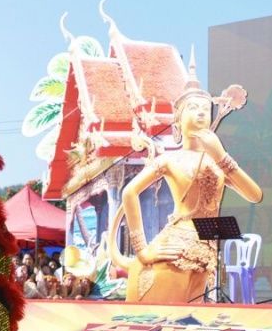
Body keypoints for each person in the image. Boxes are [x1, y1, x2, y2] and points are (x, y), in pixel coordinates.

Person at [110, 69, 263, 303]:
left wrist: (221, 156)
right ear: (178, 121)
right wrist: (143, 250)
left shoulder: (218, 161)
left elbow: (255, 195)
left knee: (189, 320)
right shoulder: (170, 159)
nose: (201, 112)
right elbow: (129, 192)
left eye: (206, 109)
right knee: (163, 319)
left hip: (204, 253)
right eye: (192, 107)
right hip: (175, 250)